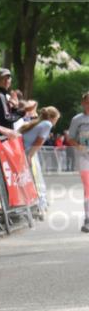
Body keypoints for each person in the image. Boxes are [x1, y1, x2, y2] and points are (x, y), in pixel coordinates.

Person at [67, 92, 89, 232]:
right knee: (88, 186)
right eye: (87, 102)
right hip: (84, 156)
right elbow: (70, 138)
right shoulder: (77, 119)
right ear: (83, 103)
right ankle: (88, 219)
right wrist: (79, 146)